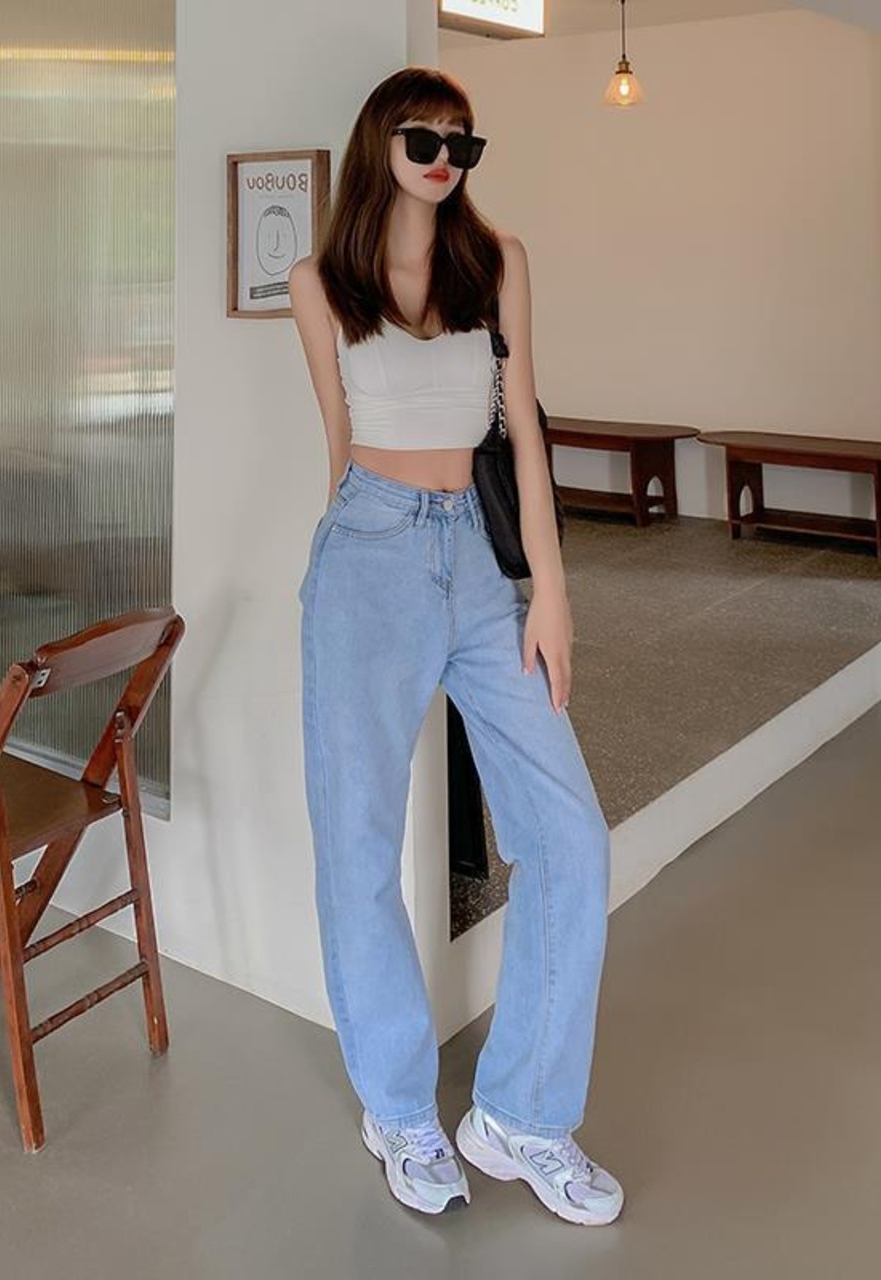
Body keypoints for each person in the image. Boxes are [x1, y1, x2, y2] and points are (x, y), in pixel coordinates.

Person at [289, 67, 621, 1227]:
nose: (444, 160)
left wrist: (548, 591)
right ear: (379, 143)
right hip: (366, 558)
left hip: (479, 569)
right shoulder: (319, 285)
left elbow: (522, 430)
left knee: (569, 838)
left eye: (461, 145)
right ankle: (395, 1106)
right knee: (356, 847)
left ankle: (519, 1114)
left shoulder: (496, 263)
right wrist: (354, 577)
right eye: (424, 140)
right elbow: (339, 446)